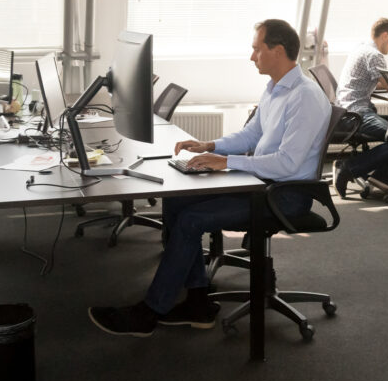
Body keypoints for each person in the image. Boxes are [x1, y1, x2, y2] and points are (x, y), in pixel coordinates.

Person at [89, 19, 331, 337]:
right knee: (177, 203)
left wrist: (225, 162)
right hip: (260, 183)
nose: (252, 56)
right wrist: (210, 146)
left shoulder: (305, 98)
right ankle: (198, 302)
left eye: (257, 49)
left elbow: (287, 164)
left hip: (283, 195)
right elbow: (252, 133)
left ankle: (149, 312)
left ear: (278, 50)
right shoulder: (275, 87)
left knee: (191, 219)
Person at [333, 18, 388, 196]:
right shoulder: (375, 55)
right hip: (357, 114)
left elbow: (376, 81)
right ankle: (348, 167)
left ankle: (383, 178)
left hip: (346, 110)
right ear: (384, 35)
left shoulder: (361, 48)